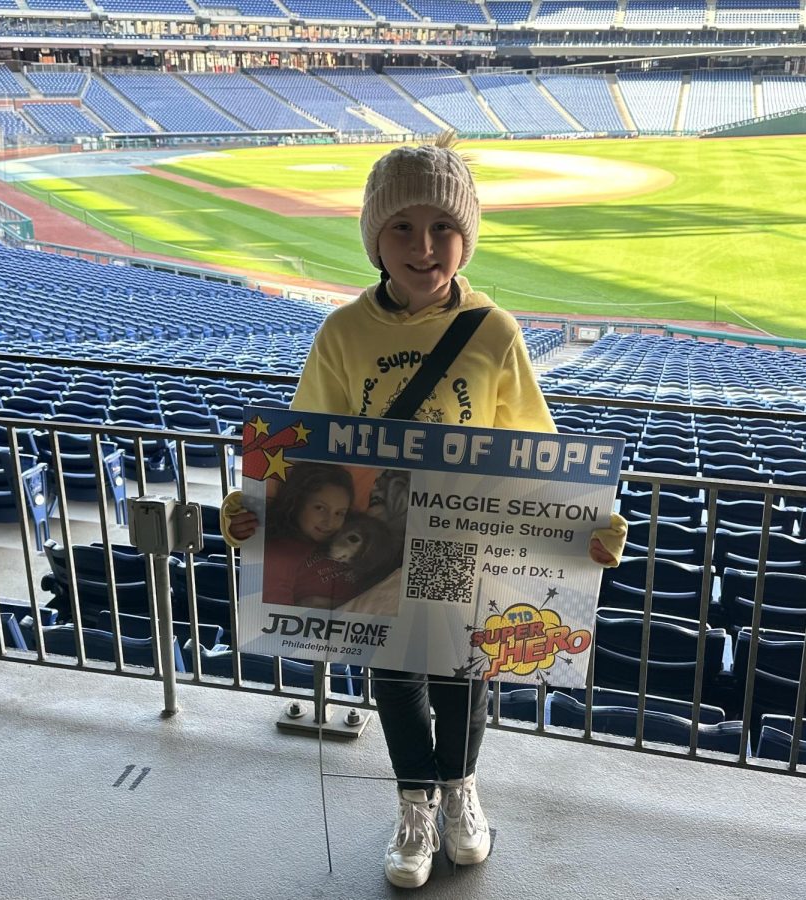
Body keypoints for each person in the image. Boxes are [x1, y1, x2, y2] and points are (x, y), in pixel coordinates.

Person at [222, 133, 627, 889]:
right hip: (378, 539)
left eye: (443, 227)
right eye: (403, 227)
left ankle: (459, 791)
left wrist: (586, 528)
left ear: (465, 238)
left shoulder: (495, 332)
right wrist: (254, 515)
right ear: (375, 238)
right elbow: (307, 451)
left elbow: (536, 451)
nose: (424, 246)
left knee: (463, 676)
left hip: (467, 542)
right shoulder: (343, 332)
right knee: (396, 675)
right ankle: (415, 800)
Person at [259, 462, 360, 609]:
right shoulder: (277, 555)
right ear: (297, 502)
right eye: (320, 508)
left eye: (339, 513)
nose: (329, 522)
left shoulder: (347, 539)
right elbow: (276, 621)